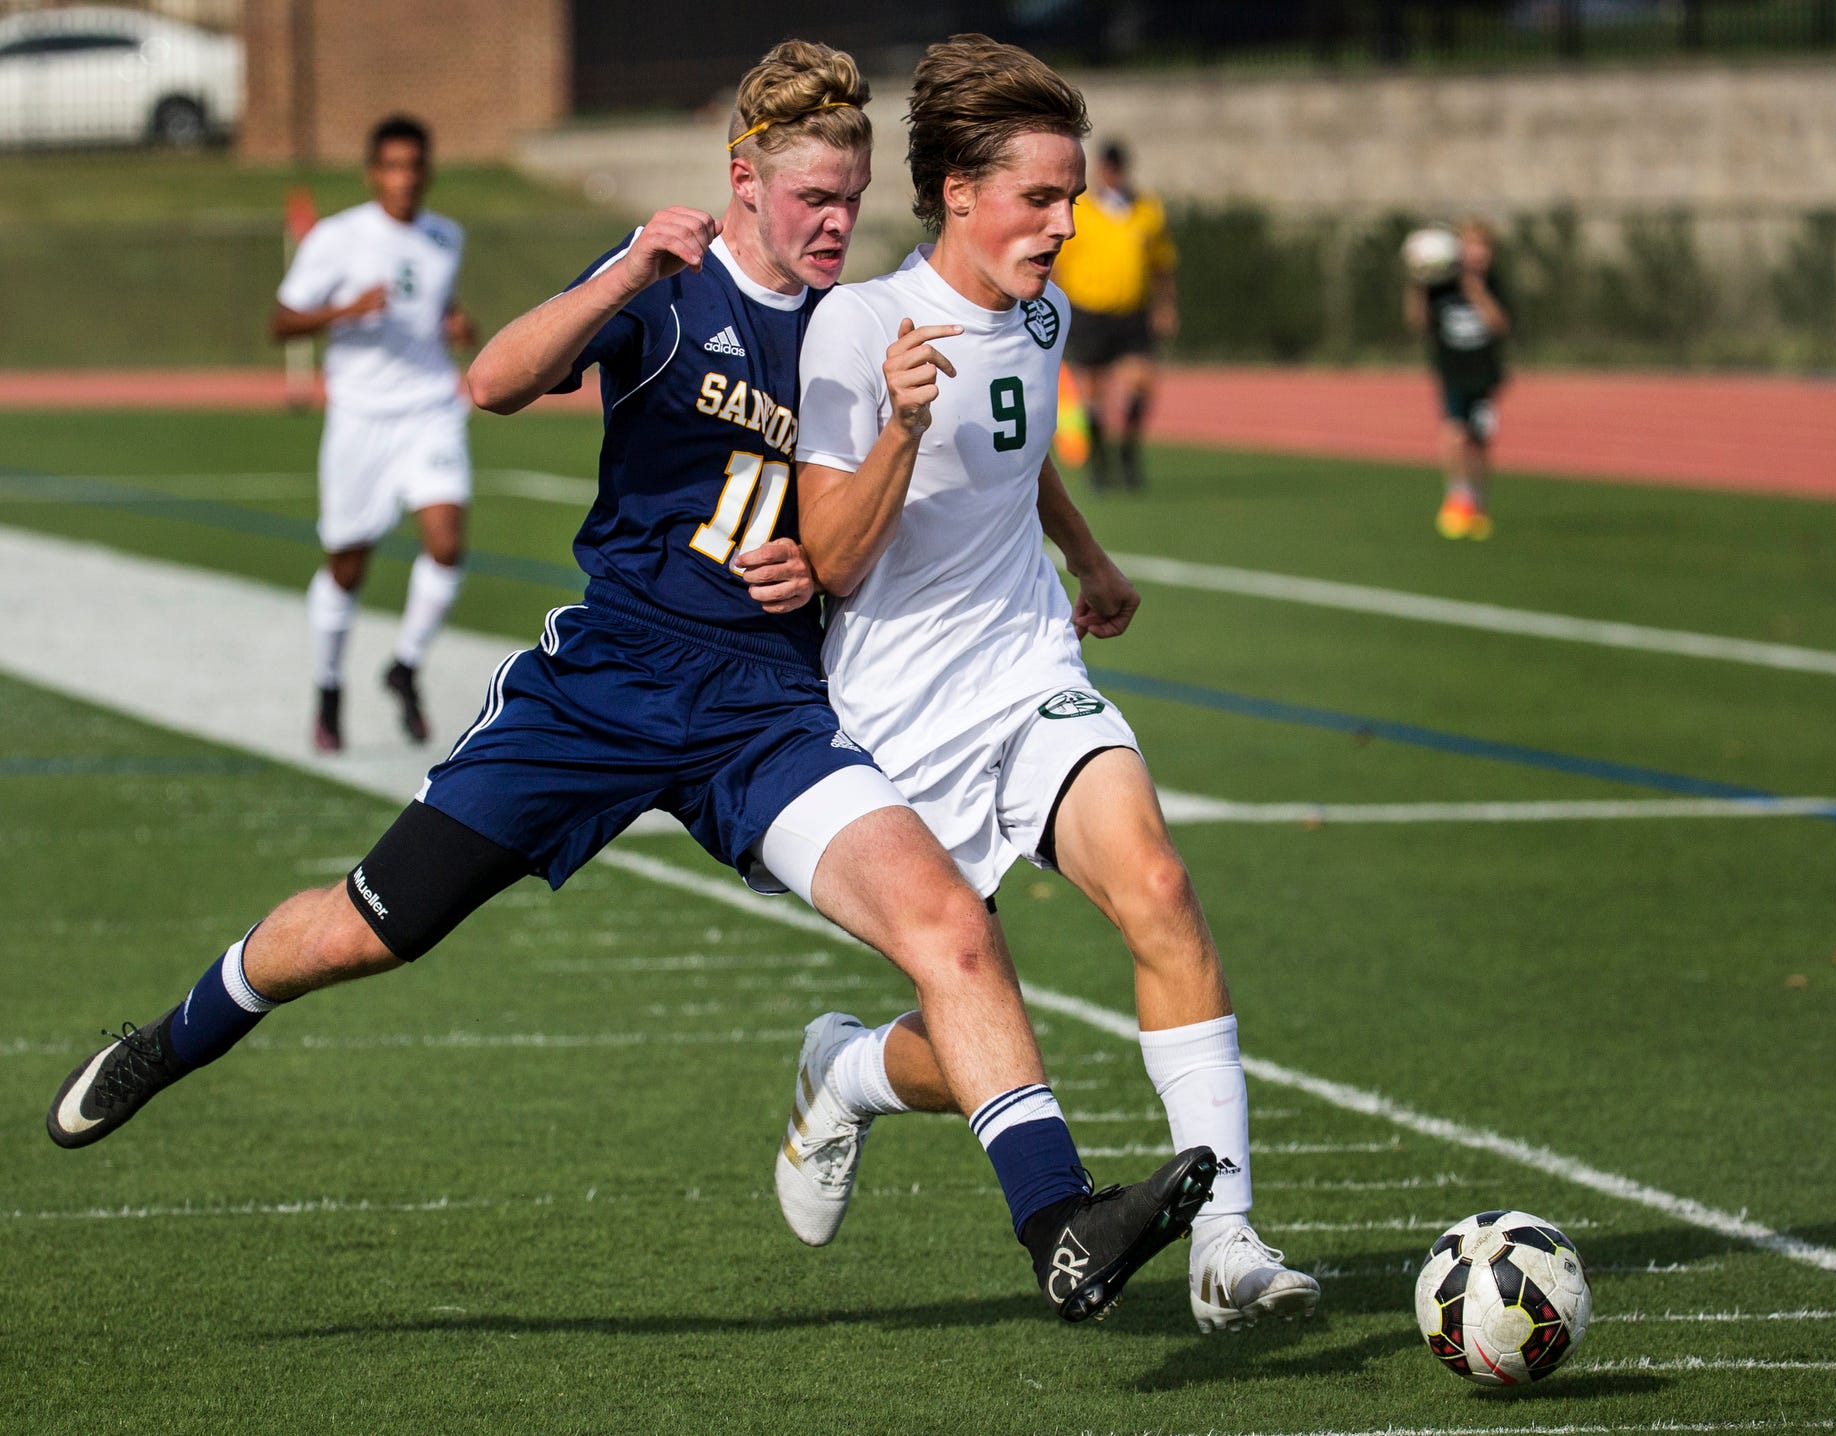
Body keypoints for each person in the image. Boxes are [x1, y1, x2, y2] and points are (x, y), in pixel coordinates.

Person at [46, 40, 1212, 1327]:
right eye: (812, 196)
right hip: (602, 687)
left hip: (766, 713)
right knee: (366, 929)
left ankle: (1057, 1224)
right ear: (743, 182)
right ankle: (175, 1032)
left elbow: (933, 475)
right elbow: (490, 382)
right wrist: (624, 270)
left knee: (953, 930)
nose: (835, 222)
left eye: (852, 194)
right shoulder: (668, 285)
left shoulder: (864, 319)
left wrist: (852, 562)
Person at [775, 33, 1320, 1335]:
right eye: (1040, 197)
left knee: (1159, 885)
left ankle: (1225, 1239)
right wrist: (901, 423)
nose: (1067, 223)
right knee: (969, 1034)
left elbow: (1017, 448)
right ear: (958, 190)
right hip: (896, 717)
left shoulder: (1040, 309)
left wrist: (1085, 552)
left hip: (1029, 670)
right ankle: (844, 1072)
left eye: (1072, 196)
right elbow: (833, 560)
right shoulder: (856, 327)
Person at [273, 115, 479, 751]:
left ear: (427, 172)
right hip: (360, 418)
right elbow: (281, 322)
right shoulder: (338, 238)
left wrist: (453, 322)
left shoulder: (446, 236)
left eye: (414, 167)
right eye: (391, 166)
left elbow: (427, 298)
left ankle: (405, 664)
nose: (404, 179)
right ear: (372, 173)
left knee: (446, 544)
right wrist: (345, 310)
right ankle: (329, 687)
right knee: (348, 563)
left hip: (429, 409)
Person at [1047, 139, 1178, 492]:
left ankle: (1128, 451)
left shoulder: (1147, 209)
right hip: (1090, 310)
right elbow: (1058, 264)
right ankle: (1100, 461)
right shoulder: (1082, 211)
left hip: (1133, 311)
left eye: (1119, 167)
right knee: (1093, 391)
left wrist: (1165, 305)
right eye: (1109, 167)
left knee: (1141, 382)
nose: (1114, 174)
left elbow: (1161, 264)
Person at [1404, 218, 1511, 541]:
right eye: (1470, 247)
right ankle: (1457, 498)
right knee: (1454, 433)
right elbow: (1417, 322)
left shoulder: (1493, 283)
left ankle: (1477, 503)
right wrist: (1417, 284)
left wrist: (1476, 290)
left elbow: (1500, 324)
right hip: (1452, 371)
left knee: (1479, 441)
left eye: (1482, 248)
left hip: (1484, 373)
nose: (1476, 254)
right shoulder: (1441, 285)